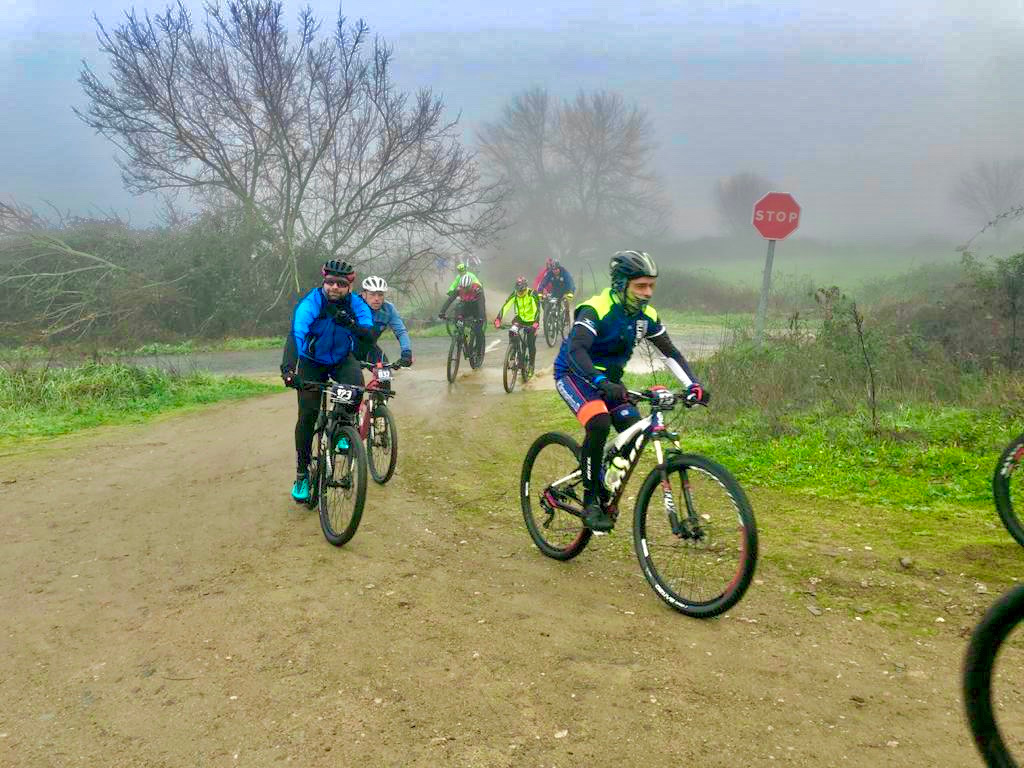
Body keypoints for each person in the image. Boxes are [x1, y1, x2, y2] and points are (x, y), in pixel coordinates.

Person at [553, 250, 709, 532]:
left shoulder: (646, 316)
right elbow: (577, 351)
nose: (648, 293)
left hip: (611, 383)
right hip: (575, 374)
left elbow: (670, 353)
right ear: (621, 284)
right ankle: (590, 501)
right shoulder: (595, 309)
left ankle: (602, 480)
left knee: (633, 430)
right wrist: (598, 383)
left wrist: (692, 385)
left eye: (651, 286)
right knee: (599, 422)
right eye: (640, 286)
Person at [280, 259, 374, 502]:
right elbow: (296, 334)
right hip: (312, 361)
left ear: (349, 287)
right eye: (330, 282)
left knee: (355, 389)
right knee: (308, 415)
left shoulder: (357, 305)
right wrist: (289, 369)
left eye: (340, 284)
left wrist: (351, 325)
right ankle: (302, 473)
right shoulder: (312, 302)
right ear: (324, 281)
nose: (334, 287)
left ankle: (343, 429)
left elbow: (369, 335)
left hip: (342, 359)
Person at [354, 275, 414, 367]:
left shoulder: (388, 309)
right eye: (372, 294)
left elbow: (401, 332)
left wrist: (406, 352)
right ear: (363, 294)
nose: (377, 298)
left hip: (370, 348)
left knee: (384, 376)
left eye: (380, 294)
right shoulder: (353, 305)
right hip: (348, 349)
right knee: (354, 379)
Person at [493, 275, 540, 375]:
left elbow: (537, 310)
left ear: (525, 288)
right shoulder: (515, 294)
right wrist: (498, 319)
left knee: (531, 344)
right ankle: (514, 350)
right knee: (512, 331)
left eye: (522, 291)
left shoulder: (532, 294)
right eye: (518, 291)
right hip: (520, 319)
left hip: (532, 321)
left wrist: (536, 324)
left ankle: (531, 365)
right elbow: (506, 306)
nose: (520, 293)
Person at [439, 272, 487, 361]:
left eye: (467, 288)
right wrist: (442, 312)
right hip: (466, 306)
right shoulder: (459, 289)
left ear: (470, 285)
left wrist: (480, 318)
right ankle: (460, 337)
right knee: (459, 308)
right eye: (463, 288)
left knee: (478, 330)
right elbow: (450, 300)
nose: (464, 290)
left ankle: (478, 351)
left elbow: (481, 305)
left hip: (476, 308)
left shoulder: (477, 289)